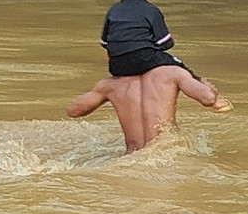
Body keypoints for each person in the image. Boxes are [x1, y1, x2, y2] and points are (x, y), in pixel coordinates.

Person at [67, 62, 231, 153]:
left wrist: (102, 91)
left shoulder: (110, 86)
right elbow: (208, 98)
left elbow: (73, 111)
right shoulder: (173, 73)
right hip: (167, 157)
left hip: (132, 159)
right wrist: (206, 86)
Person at [99, 0, 193, 77]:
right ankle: (200, 82)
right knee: (178, 64)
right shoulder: (151, 10)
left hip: (116, 66)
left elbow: (105, 42)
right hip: (144, 59)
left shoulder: (113, 10)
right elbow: (166, 43)